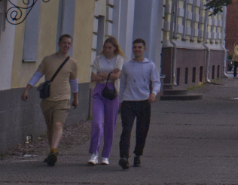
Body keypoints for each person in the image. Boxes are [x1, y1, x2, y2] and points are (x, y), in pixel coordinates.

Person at [21, 33, 79, 167]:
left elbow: (74, 82)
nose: (66, 45)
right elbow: (37, 75)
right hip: (48, 99)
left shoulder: (72, 63)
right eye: (64, 43)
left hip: (63, 98)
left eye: (69, 43)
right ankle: (51, 151)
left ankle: (53, 150)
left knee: (58, 125)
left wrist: (75, 98)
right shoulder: (48, 59)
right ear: (59, 44)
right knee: (50, 126)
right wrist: (27, 89)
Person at [118, 38, 161, 169]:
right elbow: (122, 84)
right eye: (135, 47)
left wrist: (153, 93)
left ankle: (137, 155)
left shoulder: (150, 65)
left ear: (144, 49)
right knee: (126, 130)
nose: (137, 50)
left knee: (142, 130)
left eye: (139, 47)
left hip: (143, 102)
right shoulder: (127, 66)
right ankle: (124, 157)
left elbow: (156, 82)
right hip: (128, 102)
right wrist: (120, 101)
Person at [88, 36, 125, 165]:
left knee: (110, 124)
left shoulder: (119, 59)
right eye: (105, 47)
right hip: (99, 91)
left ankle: (105, 155)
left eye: (110, 47)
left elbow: (117, 76)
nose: (107, 50)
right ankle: (94, 153)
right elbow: (93, 76)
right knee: (97, 122)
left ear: (115, 48)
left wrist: (103, 74)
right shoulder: (98, 59)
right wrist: (109, 75)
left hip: (112, 92)